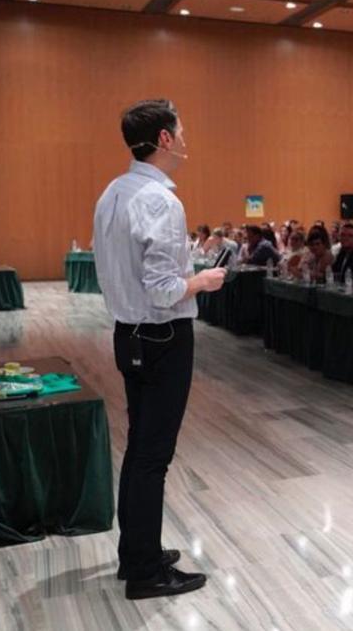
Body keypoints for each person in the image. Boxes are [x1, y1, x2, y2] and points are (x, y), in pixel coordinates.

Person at [93, 99, 224, 599]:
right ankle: (146, 571)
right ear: (164, 139)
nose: (186, 139)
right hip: (163, 334)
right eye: (181, 130)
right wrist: (204, 280)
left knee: (140, 451)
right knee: (153, 456)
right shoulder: (161, 201)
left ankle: (136, 553)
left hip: (128, 332)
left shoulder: (112, 193)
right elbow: (165, 288)